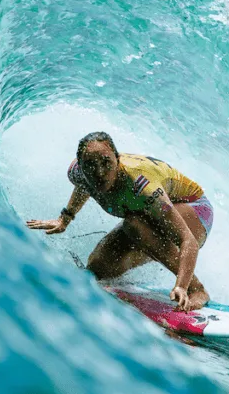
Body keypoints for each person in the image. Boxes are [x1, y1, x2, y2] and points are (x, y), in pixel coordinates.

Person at [26, 132, 214, 311]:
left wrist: (182, 285)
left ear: (117, 159)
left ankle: (196, 289)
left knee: (135, 225)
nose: (99, 172)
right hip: (146, 216)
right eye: (90, 165)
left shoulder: (141, 185)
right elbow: (84, 185)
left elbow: (188, 240)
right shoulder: (78, 173)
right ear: (81, 167)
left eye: (106, 162)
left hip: (194, 211)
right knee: (97, 270)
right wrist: (64, 219)